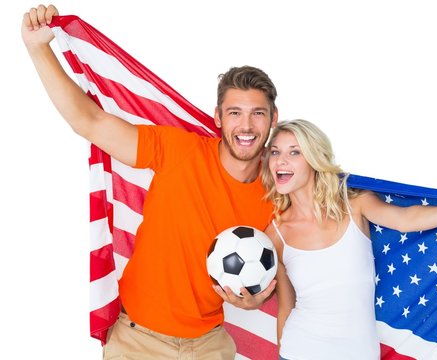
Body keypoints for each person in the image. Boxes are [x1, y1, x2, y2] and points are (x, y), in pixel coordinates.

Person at [22, 4, 278, 359]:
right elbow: (90, 122)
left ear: (273, 119)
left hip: (210, 345)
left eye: (257, 113)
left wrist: (255, 300)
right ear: (218, 117)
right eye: (235, 113)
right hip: (136, 342)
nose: (246, 126)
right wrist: (38, 49)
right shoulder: (178, 150)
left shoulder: (279, 191)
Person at [261, 119, 437, 360]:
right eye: (275, 152)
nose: (281, 160)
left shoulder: (354, 204)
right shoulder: (276, 233)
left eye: (294, 152)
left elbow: (406, 219)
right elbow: (286, 307)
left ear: (314, 159)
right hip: (300, 351)